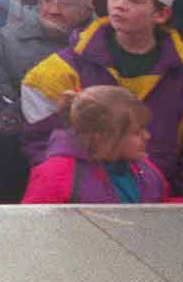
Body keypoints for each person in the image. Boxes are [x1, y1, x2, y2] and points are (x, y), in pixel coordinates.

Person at [21, 0, 183, 189]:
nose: (120, 5)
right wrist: (82, 186)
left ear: (162, 14)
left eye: (135, 0)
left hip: (164, 208)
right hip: (85, 201)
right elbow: (41, 141)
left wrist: (172, 195)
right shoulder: (64, 69)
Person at [21, 85, 169, 204]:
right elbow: (35, 227)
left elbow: (161, 207)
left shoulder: (145, 170)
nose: (147, 136)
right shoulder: (55, 176)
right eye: (137, 132)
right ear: (101, 137)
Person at [0, 0, 94, 98]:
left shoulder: (102, 42)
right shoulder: (9, 39)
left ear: (86, 11)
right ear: (39, 1)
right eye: (47, 0)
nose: (54, 10)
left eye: (65, 3)